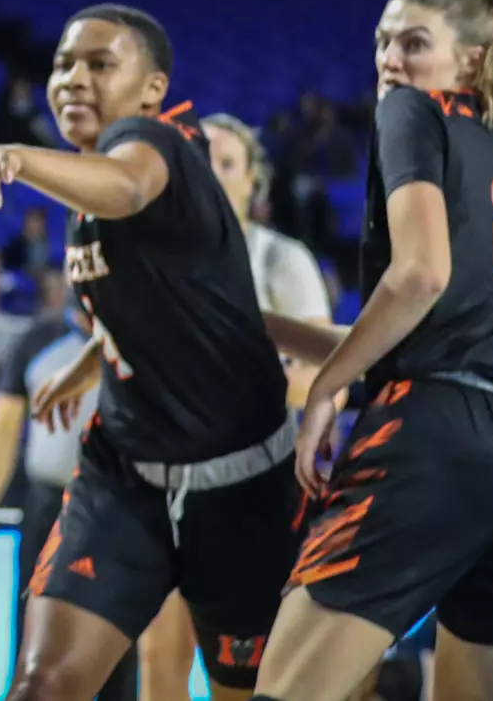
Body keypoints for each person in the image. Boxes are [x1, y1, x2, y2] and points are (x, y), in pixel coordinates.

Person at [0, 5, 304, 701]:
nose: (73, 78)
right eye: (62, 64)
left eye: (99, 64)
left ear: (152, 88)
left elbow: (132, 186)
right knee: (43, 684)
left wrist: (17, 158)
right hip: (127, 479)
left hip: (239, 487)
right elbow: (151, 299)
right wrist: (91, 359)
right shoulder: (87, 197)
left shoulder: (152, 142)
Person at [251, 0, 493, 701]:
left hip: (436, 439)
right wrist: (258, 322)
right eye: (384, 42)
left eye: (415, 43)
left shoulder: (410, 116)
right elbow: (418, 326)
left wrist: (327, 388)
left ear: (472, 60)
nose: (391, 60)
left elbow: (419, 277)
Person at [129, 115, 348, 701]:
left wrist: (228, 383)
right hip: (175, 479)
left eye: (227, 164)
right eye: (200, 162)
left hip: (260, 487)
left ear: (255, 184)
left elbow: (333, 379)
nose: (211, 174)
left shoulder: (280, 259)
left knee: (241, 673)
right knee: (160, 653)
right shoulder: (162, 261)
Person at [0, 303, 134, 701]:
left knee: (119, 640)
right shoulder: (37, 340)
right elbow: (2, 428)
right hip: (49, 502)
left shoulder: (136, 334)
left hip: (121, 504)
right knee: (33, 633)